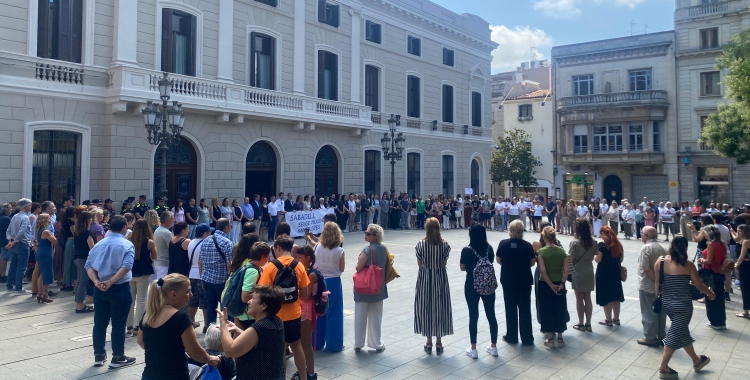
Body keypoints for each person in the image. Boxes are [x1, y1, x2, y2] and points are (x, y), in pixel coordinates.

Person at [137, 274, 221, 380]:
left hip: (149, 375)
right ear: (174, 294)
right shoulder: (181, 318)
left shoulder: (149, 313)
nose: (191, 295)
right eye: (187, 291)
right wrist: (210, 359)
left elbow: (140, 341)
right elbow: (194, 352)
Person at [655, 237, 715, 379]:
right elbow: (698, 285)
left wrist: (657, 298)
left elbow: (657, 282)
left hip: (667, 303)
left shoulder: (661, 261)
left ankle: (696, 360)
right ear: (685, 248)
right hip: (683, 305)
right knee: (674, 334)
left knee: (681, 330)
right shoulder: (688, 265)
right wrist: (710, 293)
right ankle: (663, 367)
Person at [84, 215, 137, 368]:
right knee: (119, 324)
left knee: (99, 323)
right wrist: (111, 281)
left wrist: (96, 281)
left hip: (99, 287)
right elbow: (127, 266)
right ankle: (118, 356)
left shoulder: (99, 244)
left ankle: (99, 355)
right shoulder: (127, 244)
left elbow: (89, 265)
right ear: (124, 228)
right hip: (119, 287)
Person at [257, 234, 309, 378]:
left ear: (278, 248)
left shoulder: (271, 267)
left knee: (279, 350)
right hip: (294, 313)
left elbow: (262, 292)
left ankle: (282, 376)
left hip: (275, 315)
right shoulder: (298, 266)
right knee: (297, 346)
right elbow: (305, 295)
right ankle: (304, 377)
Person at [218, 285, 286, 380]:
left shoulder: (260, 327)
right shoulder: (276, 322)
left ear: (264, 305)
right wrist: (237, 330)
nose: (249, 302)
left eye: (253, 298)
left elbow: (230, 350)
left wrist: (223, 325)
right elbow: (258, 342)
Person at [413, 218, 453, 354]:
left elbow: (419, 263)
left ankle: (428, 342)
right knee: (440, 307)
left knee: (426, 308)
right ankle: (439, 342)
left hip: (425, 279)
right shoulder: (445, 245)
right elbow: (444, 262)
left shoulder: (420, 244)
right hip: (440, 279)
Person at [460, 224, 498, 358]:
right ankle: (493, 346)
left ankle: (473, 348)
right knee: (491, 314)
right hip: (488, 285)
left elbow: (462, 268)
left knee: (473, 315)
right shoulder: (489, 249)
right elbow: (492, 261)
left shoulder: (467, 250)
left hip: (471, 284)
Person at [496, 220, 536, 345]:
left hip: (508, 279)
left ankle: (512, 336)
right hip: (524, 280)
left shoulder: (503, 244)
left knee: (510, 308)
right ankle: (527, 337)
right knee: (525, 309)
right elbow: (532, 262)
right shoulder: (527, 245)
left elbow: (498, 260)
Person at [353, 224, 388, 352]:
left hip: (363, 287)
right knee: (376, 316)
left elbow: (358, 268)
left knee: (360, 316)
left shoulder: (367, 250)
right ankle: (376, 343)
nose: (365, 235)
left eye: (368, 234)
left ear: (375, 236)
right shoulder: (383, 248)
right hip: (378, 287)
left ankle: (358, 343)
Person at [312, 222, 345, 352]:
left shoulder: (316, 247)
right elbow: (342, 269)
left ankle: (316, 342)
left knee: (319, 311)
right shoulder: (340, 251)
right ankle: (334, 344)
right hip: (334, 281)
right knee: (334, 313)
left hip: (319, 281)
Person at [537, 226, 569, 348]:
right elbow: (566, 270)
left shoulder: (542, 252)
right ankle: (560, 337)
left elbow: (543, 271)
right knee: (559, 309)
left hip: (545, 284)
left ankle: (550, 338)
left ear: (544, 237)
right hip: (560, 283)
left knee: (547, 309)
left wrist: (551, 285)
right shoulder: (562, 251)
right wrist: (561, 284)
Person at [227, 238, 269, 331]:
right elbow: (245, 297)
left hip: (241, 314)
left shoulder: (248, 266)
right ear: (263, 257)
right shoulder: (253, 271)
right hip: (247, 315)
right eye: (267, 256)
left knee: (238, 341)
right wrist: (262, 293)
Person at [637, 226, 668, 346]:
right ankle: (661, 336)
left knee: (648, 311)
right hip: (661, 286)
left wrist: (656, 280)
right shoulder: (663, 247)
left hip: (648, 285)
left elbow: (646, 269)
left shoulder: (646, 248)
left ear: (646, 235)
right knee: (661, 311)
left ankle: (650, 337)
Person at [293, 245, 320, 380]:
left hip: (306, 309)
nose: (297, 259)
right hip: (300, 307)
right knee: (300, 342)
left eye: (300, 257)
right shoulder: (303, 270)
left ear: (308, 258)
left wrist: (292, 291)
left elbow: (305, 295)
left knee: (305, 342)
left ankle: (310, 373)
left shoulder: (311, 273)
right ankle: (304, 371)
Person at [200, 218, 233, 328]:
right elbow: (229, 265)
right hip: (221, 280)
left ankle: (210, 329)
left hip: (207, 279)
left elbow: (201, 261)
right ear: (226, 228)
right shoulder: (227, 243)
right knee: (225, 307)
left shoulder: (206, 240)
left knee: (211, 305)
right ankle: (227, 331)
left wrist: (202, 278)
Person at [127, 219, 157, 336]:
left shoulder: (129, 239)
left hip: (130, 272)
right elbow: (155, 256)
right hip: (144, 272)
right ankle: (137, 326)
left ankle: (128, 325)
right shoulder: (149, 242)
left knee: (131, 300)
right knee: (141, 300)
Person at [569, 218, 598, 332]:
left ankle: (580, 323)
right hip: (589, 270)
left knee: (579, 298)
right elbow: (592, 257)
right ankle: (588, 323)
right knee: (588, 298)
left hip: (578, 271)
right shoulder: (593, 242)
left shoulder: (575, 243)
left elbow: (571, 259)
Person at [595, 226, 625, 326]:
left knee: (606, 296)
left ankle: (608, 319)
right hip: (615, 273)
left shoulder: (602, 246)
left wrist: (594, 256)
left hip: (603, 273)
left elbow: (598, 260)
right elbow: (621, 259)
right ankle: (616, 318)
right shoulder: (618, 245)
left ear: (603, 234)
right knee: (616, 296)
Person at [699, 225, 727, 329]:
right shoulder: (722, 243)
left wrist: (702, 260)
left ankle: (714, 321)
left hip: (710, 272)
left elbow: (709, 261)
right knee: (719, 297)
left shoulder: (711, 244)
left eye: (704, 232)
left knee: (710, 295)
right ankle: (721, 321)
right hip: (719, 272)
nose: (704, 235)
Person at [5, 199, 32, 293]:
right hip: (22, 243)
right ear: (25, 207)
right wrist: (14, 241)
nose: (31, 207)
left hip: (13, 243)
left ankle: (9, 286)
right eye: (30, 205)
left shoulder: (15, 216)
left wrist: (10, 240)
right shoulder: (25, 217)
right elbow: (22, 231)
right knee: (21, 266)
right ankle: (18, 287)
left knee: (13, 265)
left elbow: (8, 230)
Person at [187, 223, 211, 329]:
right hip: (202, 275)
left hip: (191, 274)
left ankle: (191, 322)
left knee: (192, 301)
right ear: (205, 233)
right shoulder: (205, 244)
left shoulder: (191, 242)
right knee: (205, 302)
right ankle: (206, 324)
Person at [74, 211, 95, 313]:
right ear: (87, 220)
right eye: (90, 218)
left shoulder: (77, 232)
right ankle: (79, 305)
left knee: (79, 282)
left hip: (78, 258)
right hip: (85, 259)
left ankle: (79, 303)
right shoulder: (87, 232)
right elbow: (92, 247)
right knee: (83, 282)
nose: (91, 220)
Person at [33, 214, 56, 303]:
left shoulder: (38, 230)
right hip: (45, 253)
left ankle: (40, 293)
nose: (50, 220)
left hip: (40, 252)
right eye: (49, 218)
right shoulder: (46, 231)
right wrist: (53, 236)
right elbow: (54, 241)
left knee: (42, 274)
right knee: (46, 274)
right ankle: (45, 294)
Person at [734, 224, 750, 318]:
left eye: (740, 230)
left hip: (745, 265)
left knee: (745, 287)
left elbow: (742, 256)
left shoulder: (745, 241)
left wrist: (737, 264)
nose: (738, 232)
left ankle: (745, 311)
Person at [153, 211, 174, 279]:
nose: (173, 221)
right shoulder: (167, 233)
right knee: (164, 286)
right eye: (172, 219)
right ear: (167, 221)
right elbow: (172, 248)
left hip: (158, 262)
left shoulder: (157, 230)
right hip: (164, 263)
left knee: (159, 284)